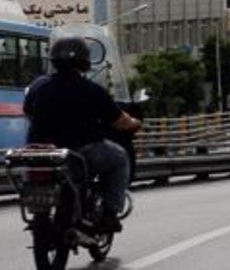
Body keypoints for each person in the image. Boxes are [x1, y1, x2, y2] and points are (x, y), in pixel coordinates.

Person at [23, 37, 141, 233]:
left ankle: (42, 213)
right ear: (85, 62)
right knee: (120, 159)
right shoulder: (93, 91)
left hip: (43, 153)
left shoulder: (39, 87)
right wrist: (135, 123)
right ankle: (110, 213)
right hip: (81, 152)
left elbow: (27, 112)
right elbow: (120, 121)